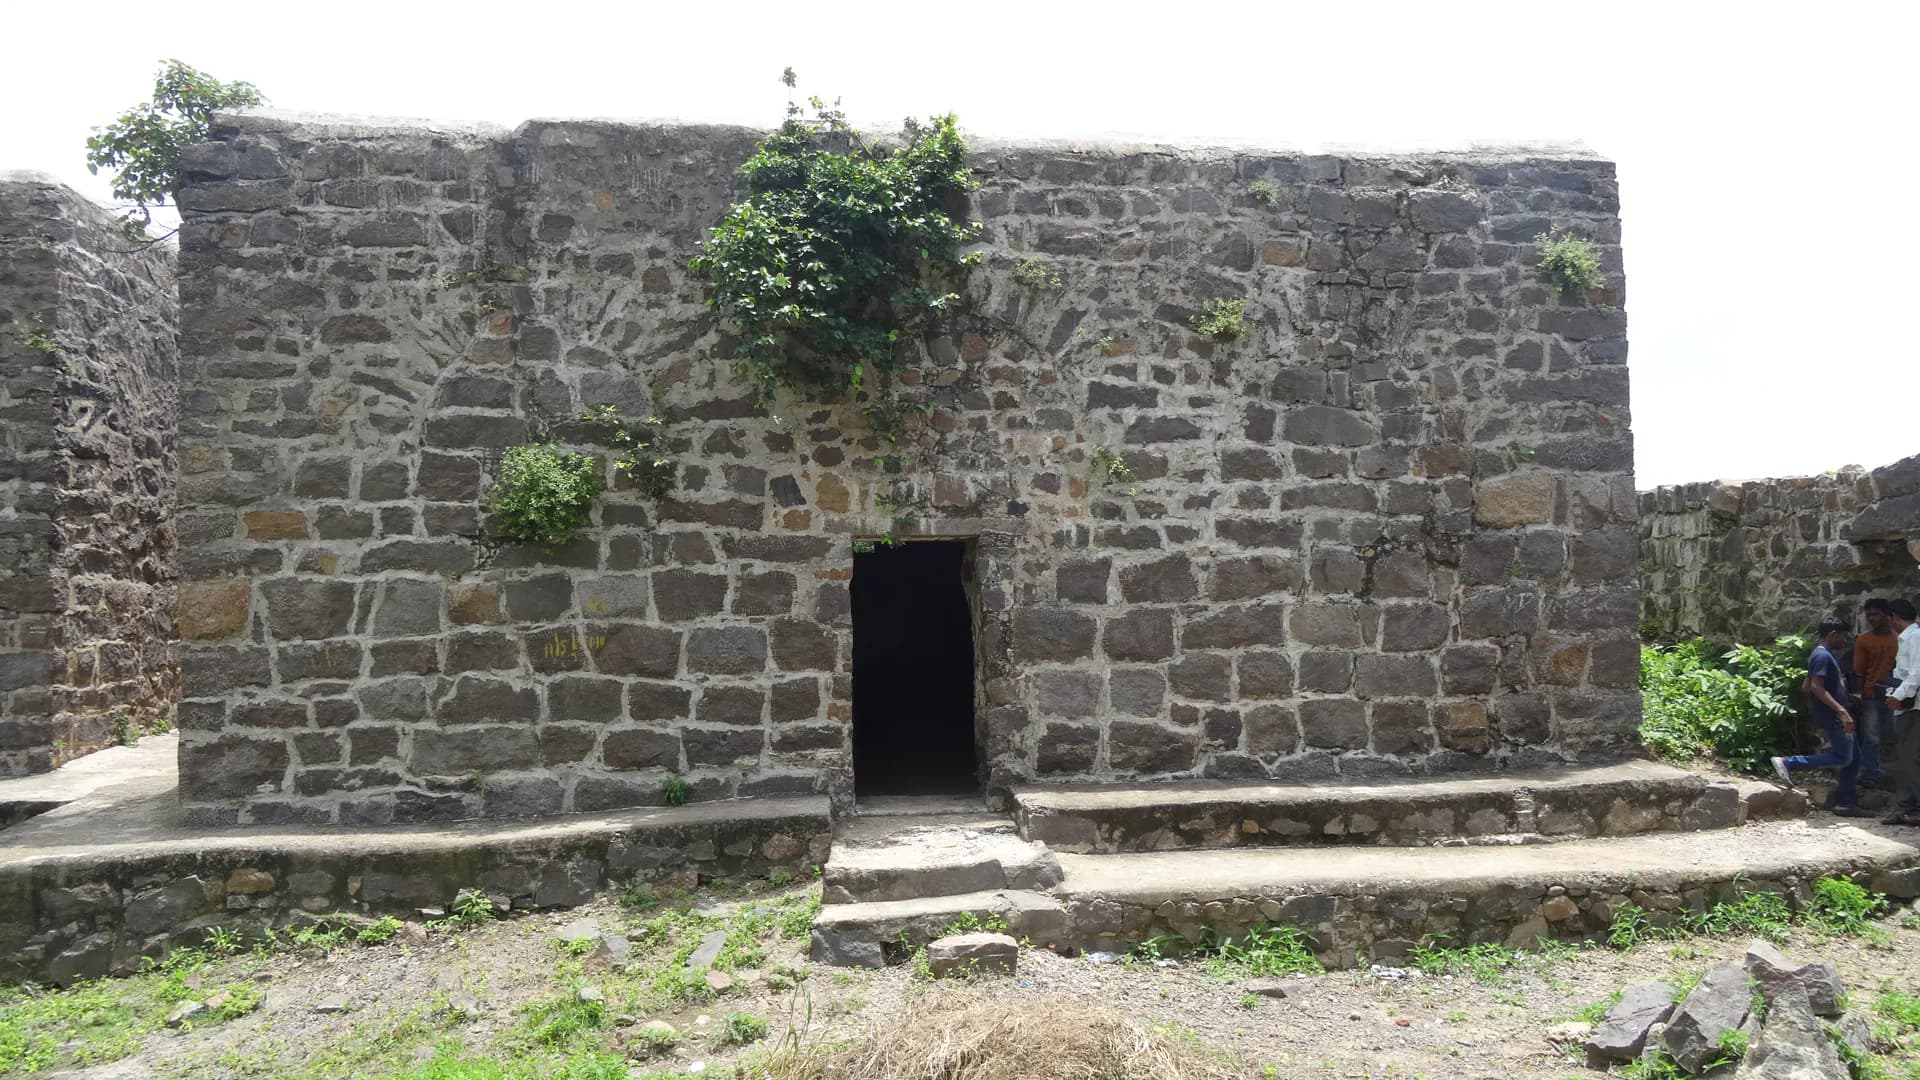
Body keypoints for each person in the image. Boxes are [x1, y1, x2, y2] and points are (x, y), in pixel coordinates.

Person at [1771, 617, 1866, 815]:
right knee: (1842, 757)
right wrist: (1841, 710)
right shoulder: (1822, 656)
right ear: (1833, 634)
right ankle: (1789, 762)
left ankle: (1845, 802)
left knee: (1855, 758)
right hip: (1837, 716)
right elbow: (1815, 687)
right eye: (1844, 636)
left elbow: (1807, 686)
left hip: (1838, 713)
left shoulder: (1821, 655)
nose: (1846, 641)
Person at [1882, 599, 1920, 825]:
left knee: (1909, 759)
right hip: (1907, 705)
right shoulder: (1908, 637)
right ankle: (1907, 806)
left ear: (1894, 617)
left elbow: (1916, 672)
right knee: (1905, 758)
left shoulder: (1915, 637)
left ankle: (1913, 807)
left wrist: (1898, 696)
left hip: (1913, 707)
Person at [1854, 599, 1899, 786]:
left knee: (1896, 735)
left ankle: (1899, 773)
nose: (1871, 619)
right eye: (1869, 615)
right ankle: (1870, 774)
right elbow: (1858, 671)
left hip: (1895, 695)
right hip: (1871, 695)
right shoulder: (1864, 640)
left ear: (1888, 616)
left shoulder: (1899, 639)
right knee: (1871, 736)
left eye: (1876, 614)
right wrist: (1859, 694)